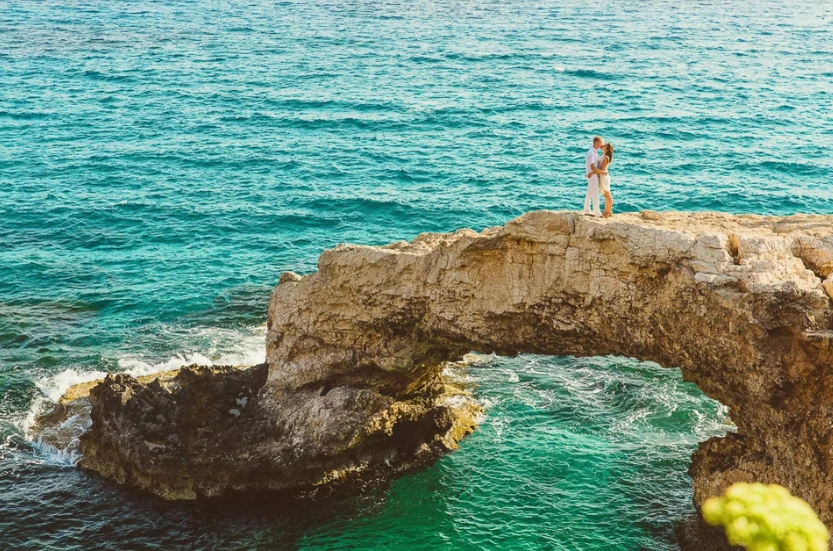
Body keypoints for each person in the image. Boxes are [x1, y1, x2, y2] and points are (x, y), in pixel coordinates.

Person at [590, 142, 614, 217]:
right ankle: (607, 211)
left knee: (607, 194)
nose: (603, 146)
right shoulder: (603, 155)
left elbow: (602, 169)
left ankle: (608, 211)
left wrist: (593, 172)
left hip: (604, 177)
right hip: (602, 176)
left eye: (604, 146)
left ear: (607, 149)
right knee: (605, 194)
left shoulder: (606, 157)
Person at [583, 137, 603, 217]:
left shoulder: (595, 152)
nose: (602, 144)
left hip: (592, 175)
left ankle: (586, 210)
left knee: (589, 194)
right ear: (597, 143)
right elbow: (592, 166)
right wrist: (600, 172)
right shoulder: (591, 152)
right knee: (595, 195)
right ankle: (597, 213)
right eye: (601, 143)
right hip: (592, 177)